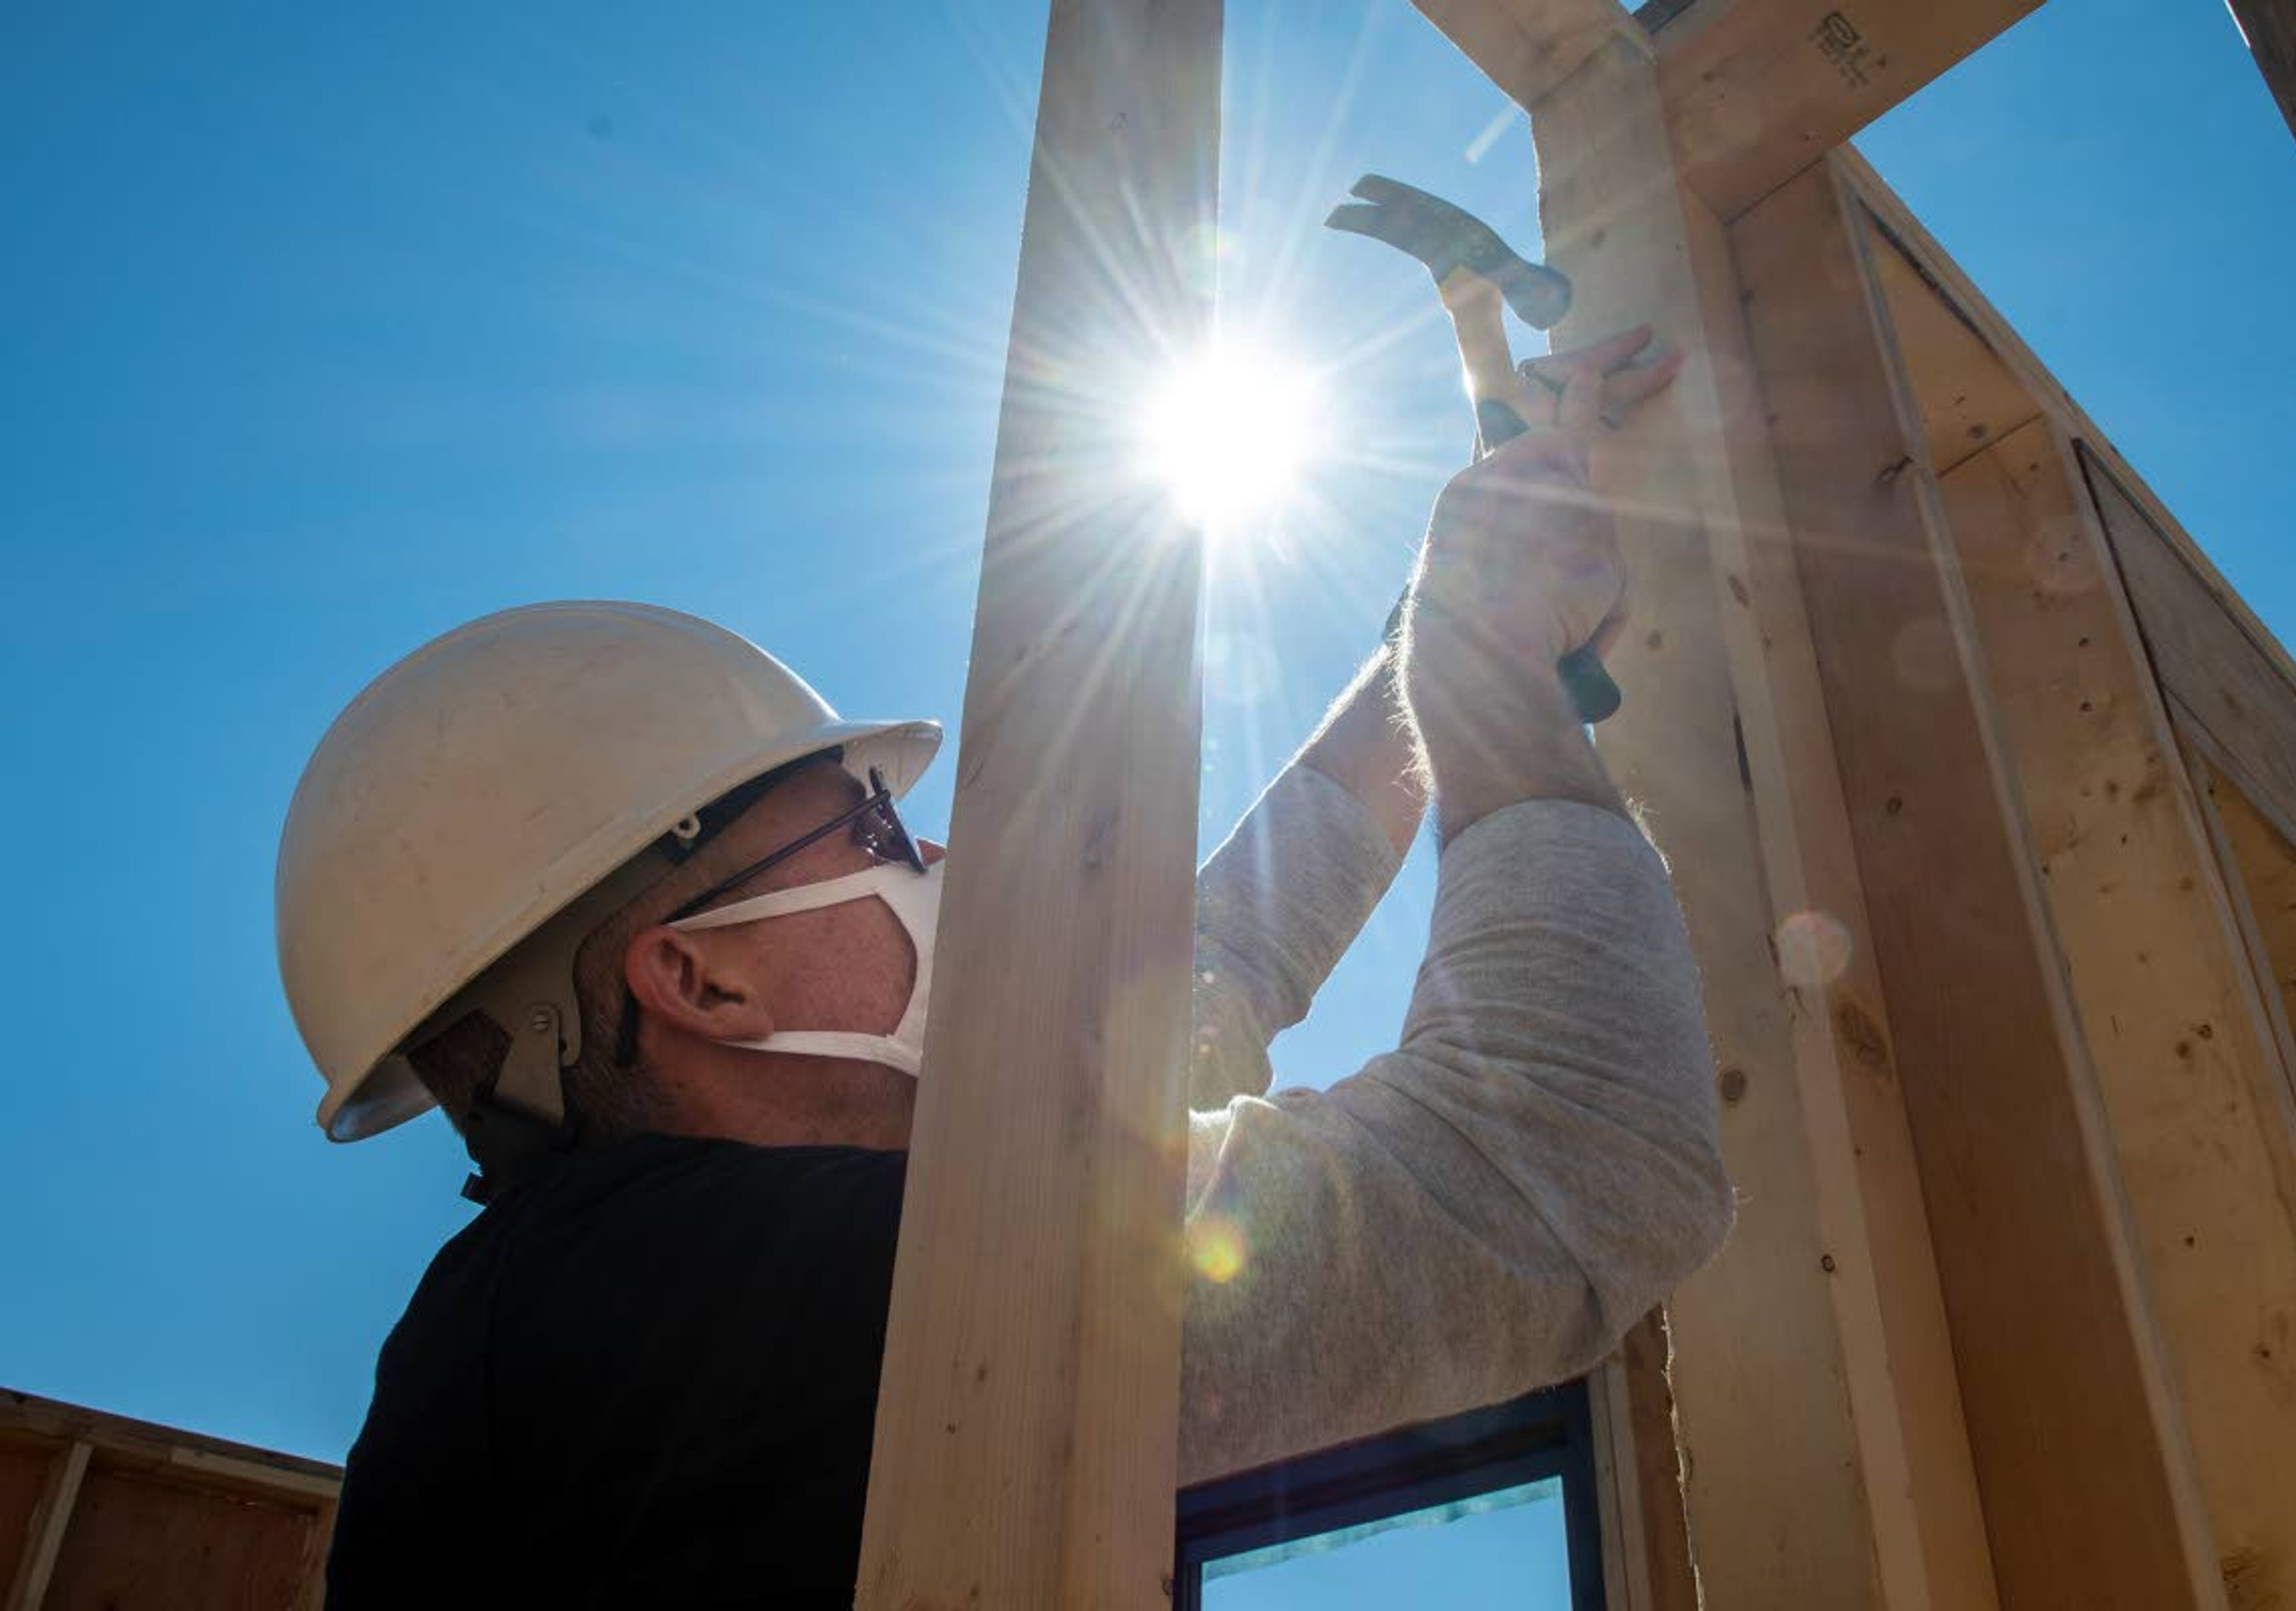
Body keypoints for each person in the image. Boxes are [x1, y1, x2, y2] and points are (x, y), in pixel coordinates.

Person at [276, 332, 1731, 1607]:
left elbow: (1200, 981)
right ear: (702, 981)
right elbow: (1567, 1158)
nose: (936, 859)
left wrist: (1444, 617)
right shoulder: (688, 1313)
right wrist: (1487, 671)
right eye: (871, 826)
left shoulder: (642, 1311)